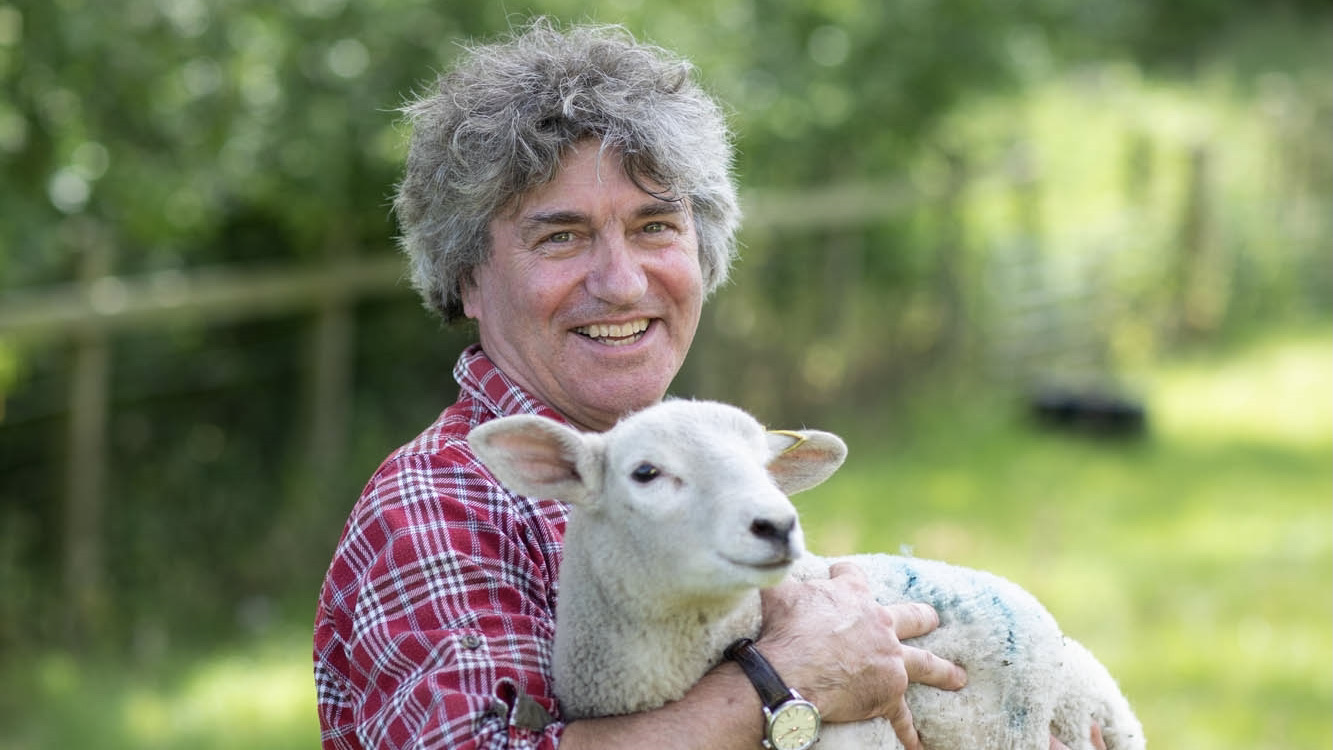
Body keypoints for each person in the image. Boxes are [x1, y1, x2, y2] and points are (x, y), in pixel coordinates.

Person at [313, 19, 1104, 750]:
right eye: (560, 236)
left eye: (655, 226)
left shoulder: (703, 473)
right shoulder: (444, 500)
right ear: (467, 279)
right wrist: (786, 682)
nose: (621, 284)